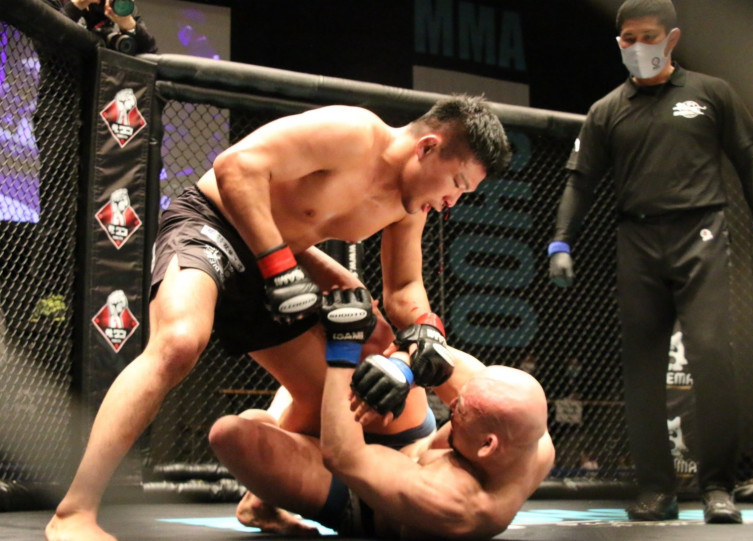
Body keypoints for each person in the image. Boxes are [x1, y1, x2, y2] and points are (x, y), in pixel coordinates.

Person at [45, 95, 511, 541]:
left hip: (282, 258)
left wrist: (426, 327)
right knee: (179, 343)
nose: (452, 202)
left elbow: (404, 288)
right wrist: (278, 265)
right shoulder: (353, 133)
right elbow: (235, 166)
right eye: (457, 183)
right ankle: (74, 510)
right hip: (213, 225)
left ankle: (261, 497)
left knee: (349, 366)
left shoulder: (409, 206)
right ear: (428, 148)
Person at [546, 0, 753, 524]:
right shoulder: (608, 109)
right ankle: (657, 489)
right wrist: (561, 242)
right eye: (628, 39)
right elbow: (579, 181)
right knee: (641, 370)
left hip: (701, 234)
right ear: (619, 43)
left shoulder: (711, 93)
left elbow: (749, 157)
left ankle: (719, 487)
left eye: (649, 36)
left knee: (711, 357)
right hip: (636, 241)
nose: (638, 47)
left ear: (672, 39)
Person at [210, 287, 554, 539]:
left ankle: (259, 499)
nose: (452, 409)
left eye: (459, 412)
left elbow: (344, 457)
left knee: (234, 433)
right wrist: (415, 355)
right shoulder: (525, 432)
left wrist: (344, 345)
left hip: (358, 493)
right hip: (411, 439)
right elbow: (460, 372)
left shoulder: (452, 502)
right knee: (374, 337)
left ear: (487, 446)